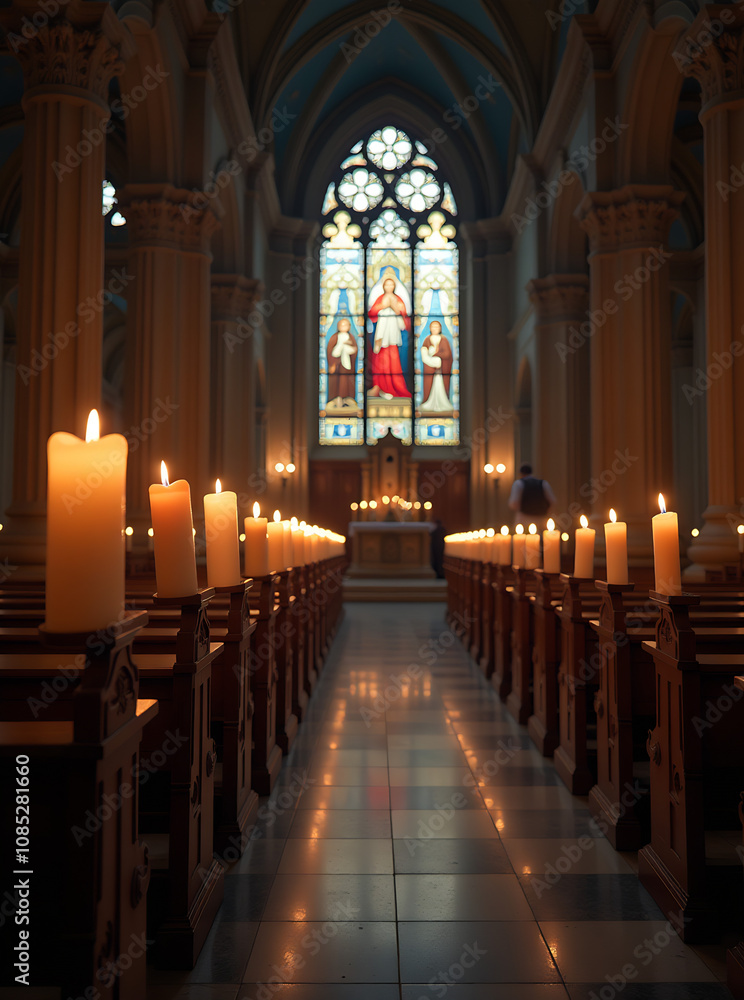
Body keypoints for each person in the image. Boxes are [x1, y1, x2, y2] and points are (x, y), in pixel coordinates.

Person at [367, 273, 412, 399]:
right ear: (383, 286)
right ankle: (379, 386)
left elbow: (404, 317)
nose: (389, 286)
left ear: (394, 286)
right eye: (387, 284)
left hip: (393, 334)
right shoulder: (380, 298)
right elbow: (372, 314)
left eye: (391, 284)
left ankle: (395, 387)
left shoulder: (398, 299)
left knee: (393, 359)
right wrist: (384, 305)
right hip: (381, 334)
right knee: (380, 359)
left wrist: (395, 307)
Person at [508, 464, 556, 529]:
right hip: (541, 518)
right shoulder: (543, 483)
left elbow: (513, 503)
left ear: (520, 473)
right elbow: (552, 501)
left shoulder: (518, 484)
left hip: (524, 518)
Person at [420, 319, 453, 412]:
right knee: (430, 387)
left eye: (436, 327)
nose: (434, 329)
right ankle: (428, 403)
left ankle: (443, 404)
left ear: (440, 328)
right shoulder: (427, 339)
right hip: (430, 370)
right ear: (430, 328)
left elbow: (447, 354)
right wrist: (431, 360)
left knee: (440, 389)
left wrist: (436, 355)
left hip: (441, 371)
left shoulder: (444, 340)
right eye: (433, 327)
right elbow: (424, 354)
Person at [326, 317, 358, 408]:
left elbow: (354, 350)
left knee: (347, 381)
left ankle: (348, 398)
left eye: (345, 325)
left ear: (349, 326)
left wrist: (350, 349)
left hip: (348, 366)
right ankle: (336, 399)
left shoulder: (351, 337)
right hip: (337, 365)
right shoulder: (334, 337)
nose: (343, 327)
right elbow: (330, 351)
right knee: (337, 382)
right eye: (341, 324)